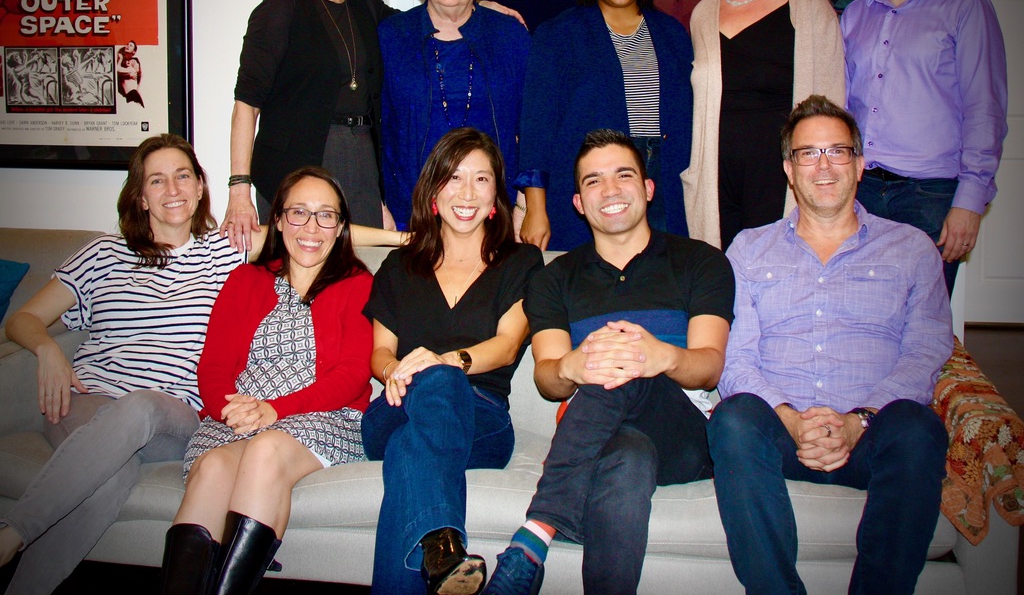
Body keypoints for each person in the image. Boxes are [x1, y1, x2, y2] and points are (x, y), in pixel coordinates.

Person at [707, 95, 952, 594]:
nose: (823, 166)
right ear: (788, 170)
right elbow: (736, 359)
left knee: (918, 426)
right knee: (732, 420)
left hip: (871, 436)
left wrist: (859, 420)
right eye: (807, 154)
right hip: (780, 434)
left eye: (837, 152)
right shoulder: (748, 249)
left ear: (860, 165)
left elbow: (926, 350)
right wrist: (793, 419)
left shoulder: (910, 249)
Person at [483, 129, 734, 595]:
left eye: (624, 175)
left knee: (621, 353)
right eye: (594, 182)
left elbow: (709, 367)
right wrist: (571, 367)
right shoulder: (553, 278)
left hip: (684, 431)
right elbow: (547, 377)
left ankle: (535, 534)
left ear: (648, 188)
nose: (611, 190)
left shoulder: (700, 261)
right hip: (604, 438)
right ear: (578, 202)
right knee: (627, 460)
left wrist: (662, 356)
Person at [0, 134, 247, 595]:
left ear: (199, 187)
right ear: (140, 195)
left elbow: (312, 227)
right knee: (113, 476)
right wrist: (48, 350)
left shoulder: (229, 252)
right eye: (157, 180)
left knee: (141, 407)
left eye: (182, 176)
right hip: (88, 404)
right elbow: (24, 319)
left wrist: (401, 237)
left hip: (173, 416)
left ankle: (13, 531)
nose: (172, 190)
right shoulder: (101, 254)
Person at [158, 167, 373, 594]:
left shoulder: (359, 284)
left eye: (326, 215)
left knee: (266, 448)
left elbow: (351, 375)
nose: (311, 227)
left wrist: (275, 410)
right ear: (276, 220)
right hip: (237, 417)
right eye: (298, 213)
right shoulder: (245, 280)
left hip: (324, 417)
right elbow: (213, 365)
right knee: (214, 466)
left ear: (341, 226)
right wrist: (228, 409)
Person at [361, 128, 543, 595]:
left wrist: (443, 363)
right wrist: (393, 373)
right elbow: (380, 352)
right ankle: (441, 543)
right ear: (434, 191)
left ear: (495, 197)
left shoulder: (521, 262)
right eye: (455, 177)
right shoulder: (399, 266)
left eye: (481, 180)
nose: (467, 192)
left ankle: (438, 547)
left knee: (411, 450)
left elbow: (507, 345)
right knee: (419, 414)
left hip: (482, 419)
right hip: (398, 405)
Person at [842, 0, 1008, 296]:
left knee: (922, 319)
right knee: (863, 312)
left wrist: (969, 202)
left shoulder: (966, 6)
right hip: (861, 189)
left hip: (930, 194)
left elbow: (985, 109)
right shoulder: (855, 15)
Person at [224, 0, 397, 246]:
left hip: (360, 159)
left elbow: (418, 27)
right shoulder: (280, 7)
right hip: (297, 164)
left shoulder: (364, 3)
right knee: (303, 277)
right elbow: (247, 103)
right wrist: (239, 190)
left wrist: (481, 7)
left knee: (360, 277)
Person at [518, 0, 695, 252]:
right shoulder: (558, 34)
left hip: (663, 188)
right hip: (587, 191)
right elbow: (537, 129)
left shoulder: (672, 34)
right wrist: (535, 208)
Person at [685, 0, 845, 251]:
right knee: (723, 285)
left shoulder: (808, 6)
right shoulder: (703, 14)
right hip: (717, 179)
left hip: (782, 177)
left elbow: (833, 107)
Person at [379, 0, 531, 230]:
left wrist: (525, 201)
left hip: (494, 204)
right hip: (410, 207)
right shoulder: (392, 36)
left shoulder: (509, 36)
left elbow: (531, 126)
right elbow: (376, 128)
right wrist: (378, 201)